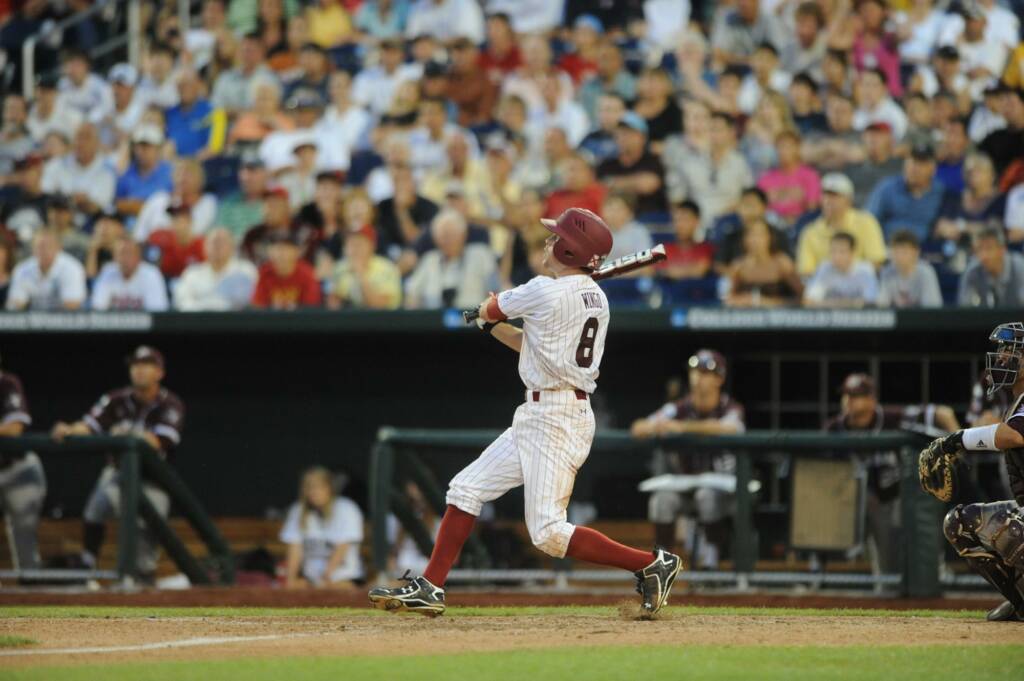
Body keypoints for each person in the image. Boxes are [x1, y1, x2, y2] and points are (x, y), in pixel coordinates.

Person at [369, 207, 683, 617]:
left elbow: (496, 307)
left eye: (557, 238)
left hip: (555, 418)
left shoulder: (544, 290)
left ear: (572, 251)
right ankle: (432, 586)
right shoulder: (595, 297)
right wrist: (490, 325)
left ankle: (650, 564)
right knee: (465, 489)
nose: (550, 242)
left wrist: (485, 314)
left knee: (549, 534)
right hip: (544, 412)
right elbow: (532, 345)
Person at [51, 346, 185, 582]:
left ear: (159, 372)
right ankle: (88, 564)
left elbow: (161, 441)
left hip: (153, 479)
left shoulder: (170, 403)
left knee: (147, 534)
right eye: (135, 365)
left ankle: (143, 578)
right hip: (118, 473)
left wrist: (125, 433)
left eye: (146, 365)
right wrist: (70, 428)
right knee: (95, 509)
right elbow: (90, 425)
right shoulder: (115, 399)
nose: (139, 370)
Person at [925, 322, 1024, 621]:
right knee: (959, 522)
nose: (1003, 358)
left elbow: (1015, 436)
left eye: (1013, 352)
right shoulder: (1015, 402)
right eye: (1004, 351)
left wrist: (956, 440)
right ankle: (1021, 599)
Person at [827, 372, 958, 577]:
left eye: (856, 395)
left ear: (872, 399)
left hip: (898, 496)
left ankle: (936, 575)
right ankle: (821, 580)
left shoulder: (892, 417)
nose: (849, 401)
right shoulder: (835, 428)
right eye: (846, 395)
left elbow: (943, 413)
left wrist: (958, 443)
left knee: (909, 534)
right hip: (853, 501)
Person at [631, 350, 745, 568]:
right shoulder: (678, 408)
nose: (698, 377)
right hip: (685, 485)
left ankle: (710, 563)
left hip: (722, 488)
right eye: (695, 371)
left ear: (719, 378)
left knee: (707, 497)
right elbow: (638, 428)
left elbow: (732, 428)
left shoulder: (729, 407)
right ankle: (662, 565)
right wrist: (658, 426)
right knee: (661, 500)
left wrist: (683, 428)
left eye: (706, 372)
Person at [280, 466, 364, 589]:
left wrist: (325, 579)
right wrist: (290, 580)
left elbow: (342, 548)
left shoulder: (347, 508)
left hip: (343, 578)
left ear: (330, 488)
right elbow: (295, 548)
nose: (314, 492)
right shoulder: (298, 511)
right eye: (309, 487)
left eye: (319, 487)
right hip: (312, 580)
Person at [0, 359, 44, 571]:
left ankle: (30, 588)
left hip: (15, 467)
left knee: (24, 532)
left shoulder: (6, 383)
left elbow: (15, 427)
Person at [797, 173, 887, 276]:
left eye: (834, 196)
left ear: (848, 200)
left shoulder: (866, 222)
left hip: (860, 286)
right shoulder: (810, 232)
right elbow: (806, 272)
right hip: (827, 287)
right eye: (824, 195)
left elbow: (876, 262)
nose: (827, 200)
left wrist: (847, 277)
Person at [404, 210, 497, 309]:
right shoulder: (429, 259)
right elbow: (411, 294)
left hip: (475, 318)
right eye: (442, 236)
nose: (446, 241)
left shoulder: (480, 254)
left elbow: (495, 290)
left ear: (463, 235)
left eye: (450, 235)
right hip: (434, 320)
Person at [866, 146, 947, 242]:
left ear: (932, 169)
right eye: (912, 162)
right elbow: (869, 221)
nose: (915, 168)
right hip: (888, 247)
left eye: (921, 164)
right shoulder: (887, 188)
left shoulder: (939, 192)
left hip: (924, 250)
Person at [596, 112, 667, 219]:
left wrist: (613, 183)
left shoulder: (653, 161)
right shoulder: (607, 164)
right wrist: (635, 183)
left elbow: (648, 185)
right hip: (614, 220)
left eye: (630, 133)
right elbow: (599, 189)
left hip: (649, 219)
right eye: (620, 133)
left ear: (643, 138)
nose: (624, 138)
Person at [174, 228, 257, 311]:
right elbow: (182, 302)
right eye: (214, 242)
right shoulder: (192, 273)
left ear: (233, 247)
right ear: (204, 247)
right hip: (198, 321)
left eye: (222, 242)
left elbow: (246, 301)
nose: (217, 246)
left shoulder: (246, 270)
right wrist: (207, 311)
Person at [725, 220, 803, 307]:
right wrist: (740, 301)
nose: (755, 240)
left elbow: (802, 298)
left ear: (770, 238)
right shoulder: (738, 266)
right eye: (751, 235)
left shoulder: (781, 263)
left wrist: (767, 302)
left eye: (760, 235)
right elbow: (727, 298)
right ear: (744, 239)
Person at [6, 229, 86, 311]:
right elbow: (14, 305)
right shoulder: (22, 269)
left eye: (49, 246)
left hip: (65, 321)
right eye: (40, 246)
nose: (45, 251)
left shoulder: (72, 268)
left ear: (59, 248)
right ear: (33, 249)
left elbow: (73, 305)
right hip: (31, 320)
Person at [328, 225, 402, 309]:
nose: (354, 249)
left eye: (359, 243)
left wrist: (360, 274)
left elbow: (380, 306)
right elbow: (332, 307)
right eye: (350, 243)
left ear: (372, 246)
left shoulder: (387, 268)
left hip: (383, 320)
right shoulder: (339, 268)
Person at [90, 238, 170, 311]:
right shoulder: (108, 271)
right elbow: (98, 308)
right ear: (114, 257)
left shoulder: (152, 274)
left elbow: (157, 311)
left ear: (138, 256)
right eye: (121, 254)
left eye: (129, 253)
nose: (125, 258)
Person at [803, 233, 879, 308]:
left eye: (842, 252)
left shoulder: (865, 270)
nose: (836, 257)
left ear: (853, 253)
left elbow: (871, 303)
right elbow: (809, 301)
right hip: (830, 318)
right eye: (833, 251)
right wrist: (852, 303)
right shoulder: (824, 268)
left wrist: (831, 304)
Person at [252, 232, 322, 309]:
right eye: (277, 248)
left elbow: (311, 307)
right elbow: (258, 306)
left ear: (297, 252)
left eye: (286, 249)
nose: (281, 254)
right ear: (270, 252)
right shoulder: (264, 273)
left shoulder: (307, 273)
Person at [958, 227, 1024, 308]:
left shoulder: (1019, 267)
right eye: (979, 249)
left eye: (989, 248)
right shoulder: (972, 271)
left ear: (1002, 250)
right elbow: (965, 311)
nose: (983, 256)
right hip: (985, 320)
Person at [877, 230, 943, 308]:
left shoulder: (926, 272)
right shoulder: (887, 272)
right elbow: (881, 306)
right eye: (896, 251)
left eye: (904, 251)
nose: (900, 256)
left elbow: (933, 309)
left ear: (916, 252)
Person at [659, 201, 714, 281]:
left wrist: (675, 272)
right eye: (677, 220)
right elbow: (658, 271)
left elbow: (700, 270)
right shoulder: (664, 249)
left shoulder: (705, 248)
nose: (680, 225)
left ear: (696, 221)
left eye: (685, 220)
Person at [602, 193, 653, 263]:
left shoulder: (639, 232)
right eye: (609, 208)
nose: (613, 213)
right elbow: (593, 265)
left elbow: (647, 266)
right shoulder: (600, 234)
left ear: (630, 212)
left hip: (634, 273)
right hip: (607, 273)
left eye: (618, 209)